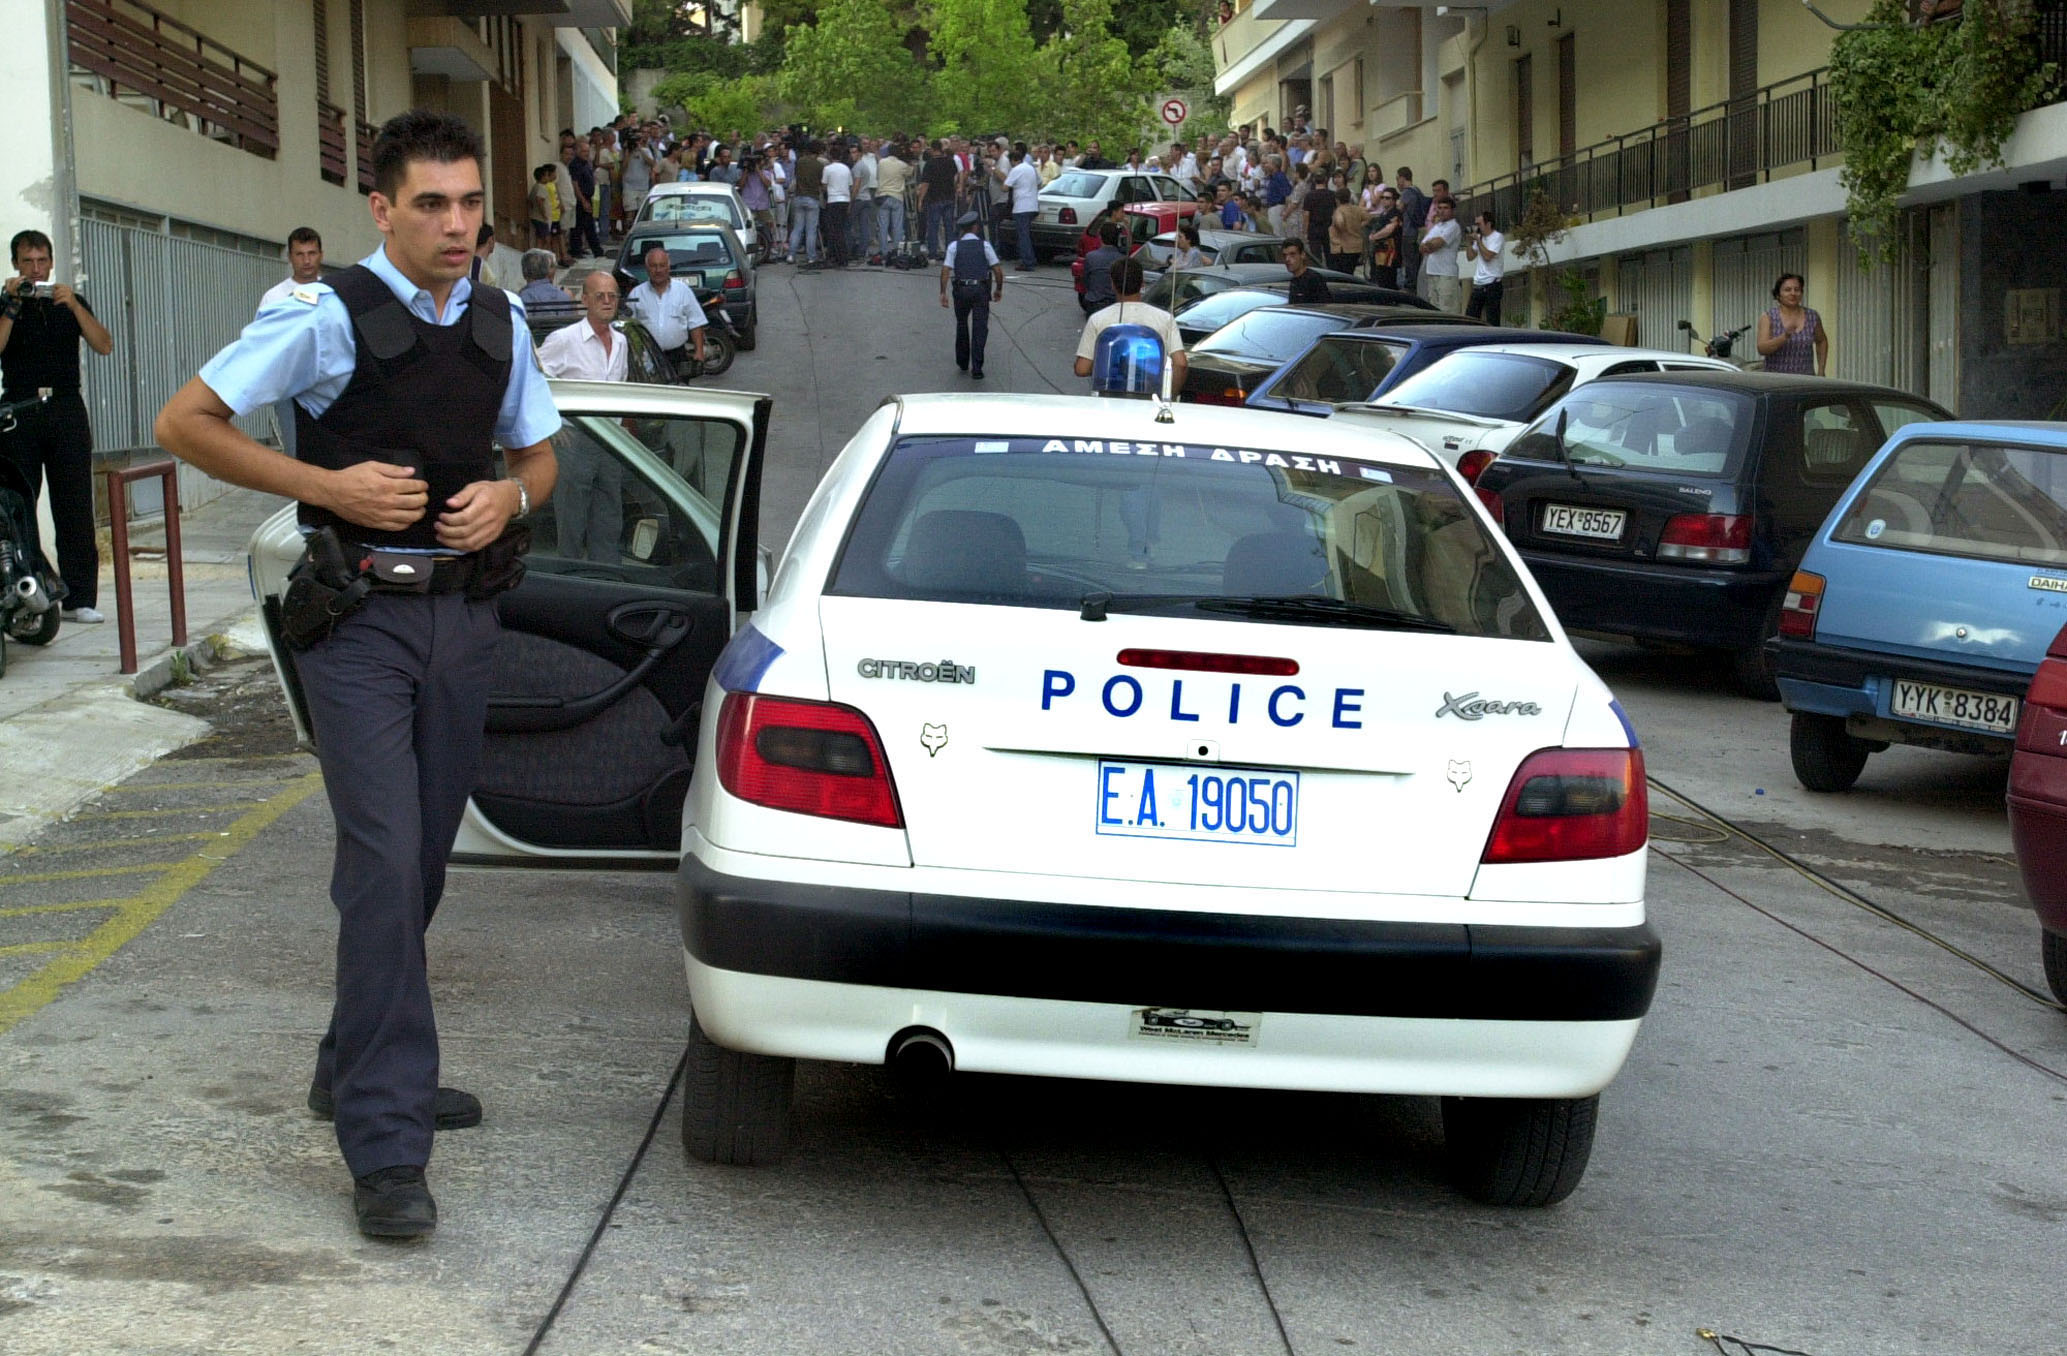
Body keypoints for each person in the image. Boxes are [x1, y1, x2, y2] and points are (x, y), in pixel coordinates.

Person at [152, 109, 561, 1240]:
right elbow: (184, 421)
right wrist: (324, 488)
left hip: (463, 617)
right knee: (382, 860)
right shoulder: (323, 316)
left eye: (471, 204)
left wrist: (511, 497)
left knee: (420, 860)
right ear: (380, 208)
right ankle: (386, 1143)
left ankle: (353, 1059)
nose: (456, 225)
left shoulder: (499, 321)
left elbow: (542, 451)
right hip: (358, 625)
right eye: (432, 204)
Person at [1, 230, 116, 623]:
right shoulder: (7, 303)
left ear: (51, 262)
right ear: (16, 264)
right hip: (20, 410)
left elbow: (105, 344)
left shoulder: (69, 301)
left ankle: (79, 598)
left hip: (66, 407)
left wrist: (75, 306)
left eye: (42, 261)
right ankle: (30, 589)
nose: (36, 269)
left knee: (74, 504)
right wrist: (12, 305)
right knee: (19, 506)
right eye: (27, 262)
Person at [534, 272, 625, 563]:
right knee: (572, 518)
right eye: (600, 296)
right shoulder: (564, 339)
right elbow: (533, 378)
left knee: (609, 515)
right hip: (575, 441)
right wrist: (552, 425)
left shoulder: (621, 341)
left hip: (612, 440)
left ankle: (607, 576)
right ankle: (570, 578)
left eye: (613, 296)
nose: (607, 302)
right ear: (585, 300)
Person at [1073, 257, 1187, 392]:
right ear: (1142, 284)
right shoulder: (1165, 319)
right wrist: (1169, 397)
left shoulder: (1098, 319)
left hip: (1108, 400)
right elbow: (1180, 364)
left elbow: (1082, 368)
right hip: (1151, 400)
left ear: (1112, 284)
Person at [625, 242, 708, 377]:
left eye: (662, 265)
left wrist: (699, 352)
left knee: (678, 394)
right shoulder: (636, 294)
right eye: (654, 266)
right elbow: (628, 328)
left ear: (668, 267)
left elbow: (696, 322)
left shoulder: (683, 291)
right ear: (647, 268)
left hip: (677, 356)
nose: (658, 270)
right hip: (647, 358)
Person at [940, 210, 1003, 380]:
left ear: (962, 230)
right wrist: (998, 289)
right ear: (975, 228)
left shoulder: (954, 246)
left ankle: (962, 360)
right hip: (980, 289)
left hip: (961, 289)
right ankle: (977, 366)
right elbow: (997, 269)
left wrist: (943, 292)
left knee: (962, 324)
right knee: (979, 327)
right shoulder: (985, 245)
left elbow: (946, 269)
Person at [1757, 272, 1828, 375]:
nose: (1793, 293)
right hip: (1776, 381)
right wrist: (1784, 337)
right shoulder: (1768, 317)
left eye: (1797, 290)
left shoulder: (1812, 316)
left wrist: (1821, 370)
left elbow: (1822, 341)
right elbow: (1762, 349)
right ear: (1778, 294)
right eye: (1787, 290)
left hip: (1806, 381)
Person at [1418, 196, 1463, 311]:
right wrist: (1431, 244)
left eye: (1445, 208)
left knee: (1447, 308)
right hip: (1432, 272)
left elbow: (1437, 244)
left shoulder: (1453, 226)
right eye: (1439, 208)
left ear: (1452, 210)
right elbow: (1422, 247)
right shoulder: (1437, 227)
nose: (1442, 211)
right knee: (1434, 308)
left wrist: (1431, 244)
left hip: (1446, 274)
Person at [264, 227, 326, 306]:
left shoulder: (333, 294)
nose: (306, 260)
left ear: (321, 255)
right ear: (290, 257)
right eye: (299, 254)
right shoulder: (273, 298)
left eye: (312, 253)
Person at [919, 138, 960, 257]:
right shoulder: (950, 161)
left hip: (934, 198)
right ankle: (950, 253)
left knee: (933, 226)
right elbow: (955, 177)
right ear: (942, 149)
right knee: (949, 226)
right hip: (949, 197)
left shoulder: (929, 164)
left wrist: (921, 199)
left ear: (932, 149)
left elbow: (925, 183)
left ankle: (932, 254)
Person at [1003, 146, 1041, 272]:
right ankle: (1031, 258)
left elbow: (1005, 187)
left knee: (1023, 235)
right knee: (1027, 234)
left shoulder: (1016, 170)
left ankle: (1027, 261)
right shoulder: (1031, 168)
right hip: (1033, 205)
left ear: (1013, 160)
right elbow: (1039, 182)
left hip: (1021, 207)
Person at [1464, 209, 1506, 324]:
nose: (1477, 227)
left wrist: (1478, 241)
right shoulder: (1481, 239)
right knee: (1470, 319)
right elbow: (1470, 257)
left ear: (1488, 224)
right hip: (1479, 283)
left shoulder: (1498, 237)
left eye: (1479, 224)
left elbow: (1488, 256)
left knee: (1492, 320)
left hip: (1492, 284)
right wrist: (1469, 242)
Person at [789, 139, 825, 268]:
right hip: (812, 198)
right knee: (811, 230)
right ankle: (811, 257)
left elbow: (796, 176)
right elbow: (821, 183)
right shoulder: (819, 166)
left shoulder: (800, 162)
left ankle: (791, 254)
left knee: (797, 228)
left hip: (799, 197)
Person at [1080, 219, 1126, 315]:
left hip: (1094, 302)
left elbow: (1086, 281)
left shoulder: (1091, 257)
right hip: (1115, 305)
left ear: (1100, 237)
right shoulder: (1123, 259)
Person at [1394, 166, 1429, 290]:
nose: (1397, 182)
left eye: (1398, 179)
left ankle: (1411, 286)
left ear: (1403, 179)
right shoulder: (1417, 190)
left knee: (1410, 262)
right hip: (1418, 231)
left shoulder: (1407, 192)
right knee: (1416, 260)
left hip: (1408, 232)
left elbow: (1399, 207)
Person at [822, 143, 853, 269]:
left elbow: (824, 185)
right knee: (841, 228)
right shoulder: (846, 169)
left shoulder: (828, 169)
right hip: (844, 200)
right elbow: (850, 185)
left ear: (830, 156)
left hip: (833, 200)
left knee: (833, 230)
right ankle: (842, 255)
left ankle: (837, 256)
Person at [1328, 179, 1367, 276]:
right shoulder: (1357, 209)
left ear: (1337, 199)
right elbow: (1368, 217)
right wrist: (1359, 225)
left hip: (1342, 248)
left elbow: (1340, 222)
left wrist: (1341, 229)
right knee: (1350, 272)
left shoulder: (1339, 210)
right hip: (1356, 247)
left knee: (1341, 275)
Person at [1365, 186, 1402, 287]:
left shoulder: (1395, 213)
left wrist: (1374, 236)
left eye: (1387, 198)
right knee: (1379, 278)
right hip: (1380, 252)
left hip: (1390, 253)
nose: (1384, 200)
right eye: (1382, 197)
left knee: (1388, 280)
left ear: (1394, 200)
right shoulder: (1383, 214)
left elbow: (1389, 230)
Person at [1281, 238, 1331, 305]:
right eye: (1285, 255)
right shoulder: (1294, 281)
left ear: (1302, 255)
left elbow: (1324, 306)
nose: (1287, 259)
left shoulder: (1314, 279)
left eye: (1292, 254)